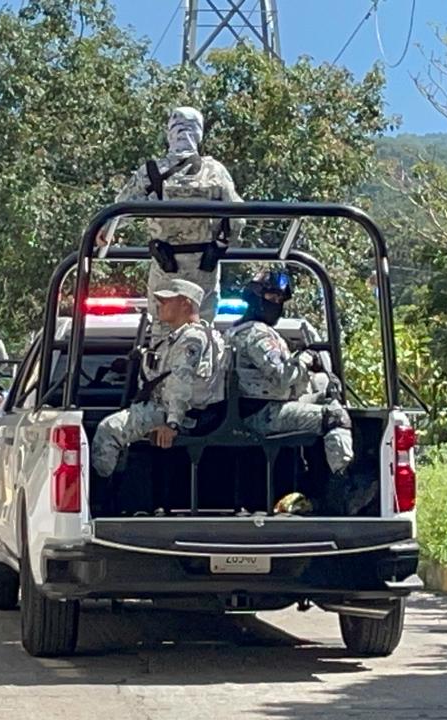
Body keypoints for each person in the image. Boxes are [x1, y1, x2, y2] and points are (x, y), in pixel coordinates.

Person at [100, 106, 244, 345]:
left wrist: (104, 233)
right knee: (202, 331)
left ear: (170, 133)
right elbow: (237, 218)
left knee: (162, 332)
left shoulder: (151, 172)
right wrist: (221, 245)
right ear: (198, 133)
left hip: (165, 266)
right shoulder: (216, 171)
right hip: (204, 267)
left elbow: (118, 210)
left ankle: (160, 376)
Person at [227, 269, 356, 512]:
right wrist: (306, 357)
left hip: (258, 408)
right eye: (271, 298)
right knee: (335, 417)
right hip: (263, 413)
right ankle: (342, 488)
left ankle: (317, 485)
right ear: (256, 297)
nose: (276, 305)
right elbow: (283, 376)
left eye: (279, 300)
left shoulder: (235, 331)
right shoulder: (256, 334)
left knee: (327, 392)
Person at [91, 279, 226, 478]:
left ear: (185, 303)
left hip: (181, 413)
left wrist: (172, 424)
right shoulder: (182, 336)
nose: (159, 305)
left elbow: (182, 382)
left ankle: (100, 494)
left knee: (108, 430)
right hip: (172, 408)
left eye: (165, 300)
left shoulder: (192, 338)